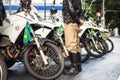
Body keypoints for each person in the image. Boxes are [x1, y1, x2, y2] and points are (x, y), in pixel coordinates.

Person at [62, 0, 84, 75]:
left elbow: (70, 8)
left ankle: (74, 68)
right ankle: (78, 66)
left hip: (70, 21)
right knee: (76, 45)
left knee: (71, 45)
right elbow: (80, 9)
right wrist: (80, 20)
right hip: (76, 23)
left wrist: (77, 19)